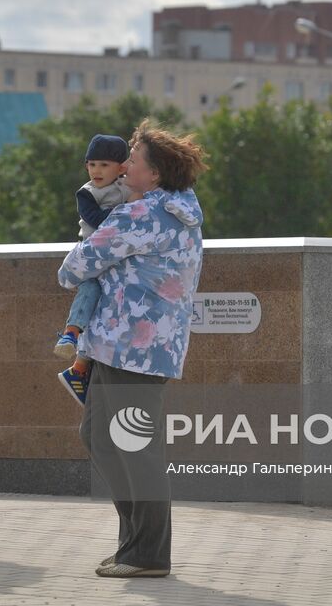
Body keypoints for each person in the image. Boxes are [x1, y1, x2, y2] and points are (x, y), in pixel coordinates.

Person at [58, 120, 207, 579]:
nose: (123, 169)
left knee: (132, 447)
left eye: (134, 162)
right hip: (131, 348)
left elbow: (73, 268)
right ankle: (133, 544)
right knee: (100, 438)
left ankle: (148, 554)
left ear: (155, 174)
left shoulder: (140, 215)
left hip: (130, 349)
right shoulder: (182, 210)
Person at [54, 134, 132, 405]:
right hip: (90, 256)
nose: (96, 171)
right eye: (92, 164)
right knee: (89, 291)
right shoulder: (86, 193)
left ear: (122, 167)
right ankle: (70, 333)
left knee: (104, 313)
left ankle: (78, 370)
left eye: (104, 165)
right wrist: (127, 217)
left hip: (115, 261)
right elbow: (97, 221)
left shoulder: (127, 187)